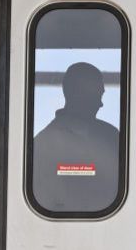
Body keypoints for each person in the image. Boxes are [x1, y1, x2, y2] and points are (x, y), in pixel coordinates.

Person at [32, 62, 120, 213]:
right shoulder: (44, 145)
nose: (101, 104)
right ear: (77, 94)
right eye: (97, 95)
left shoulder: (111, 137)